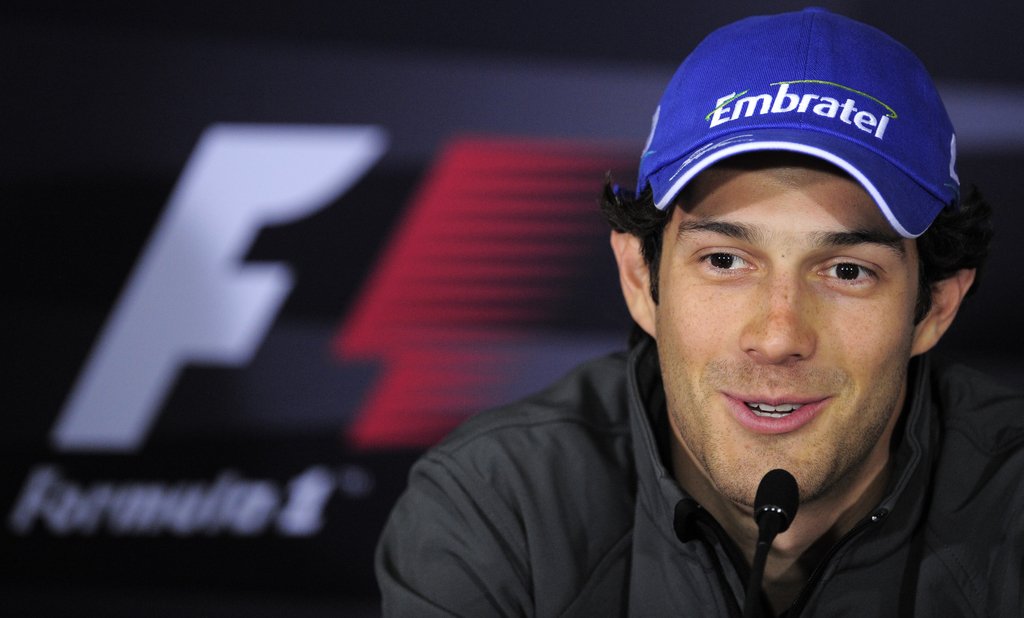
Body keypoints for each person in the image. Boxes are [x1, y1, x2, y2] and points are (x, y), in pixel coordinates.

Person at [375, 8, 1023, 616]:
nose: (777, 337)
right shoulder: (500, 507)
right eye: (725, 261)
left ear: (935, 307)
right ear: (640, 278)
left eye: (847, 271)